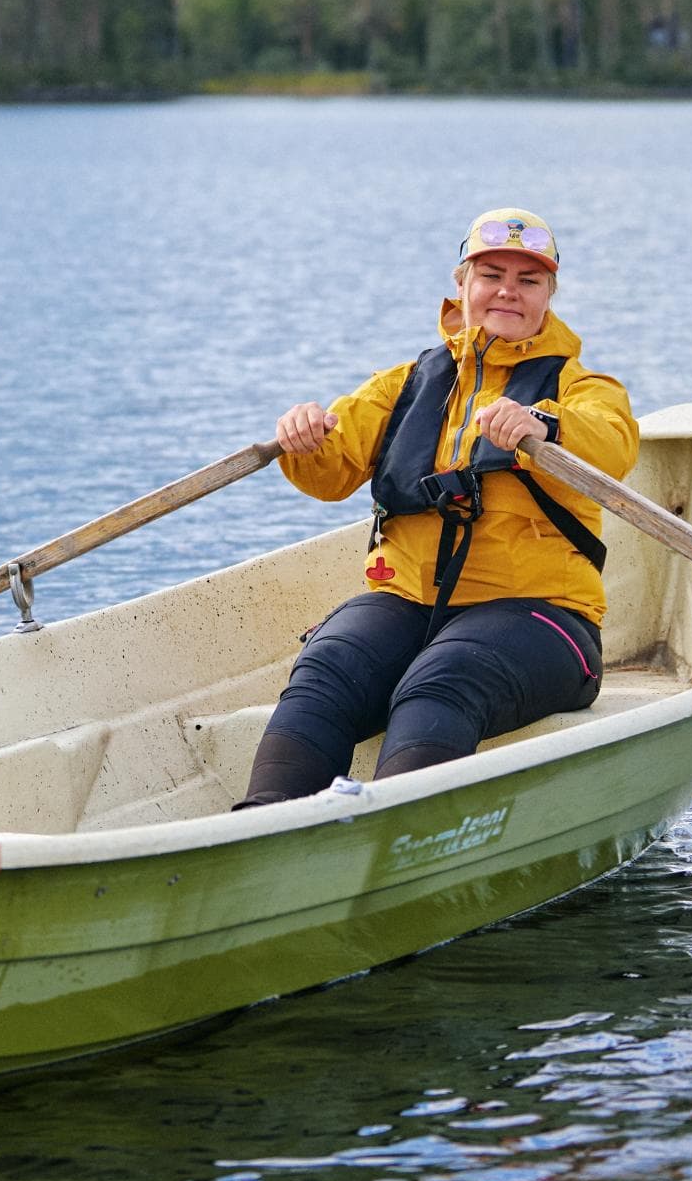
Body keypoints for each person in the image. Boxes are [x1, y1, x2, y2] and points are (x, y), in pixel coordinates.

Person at [242, 207, 639, 808]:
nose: (508, 290)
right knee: (326, 672)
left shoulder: (582, 388)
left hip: (544, 616)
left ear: (549, 295)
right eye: (491, 275)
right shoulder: (402, 384)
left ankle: (396, 845)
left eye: (528, 280)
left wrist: (545, 427)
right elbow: (330, 473)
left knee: (441, 683)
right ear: (462, 285)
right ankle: (259, 832)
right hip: (409, 601)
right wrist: (304, 437)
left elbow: (613, 447)